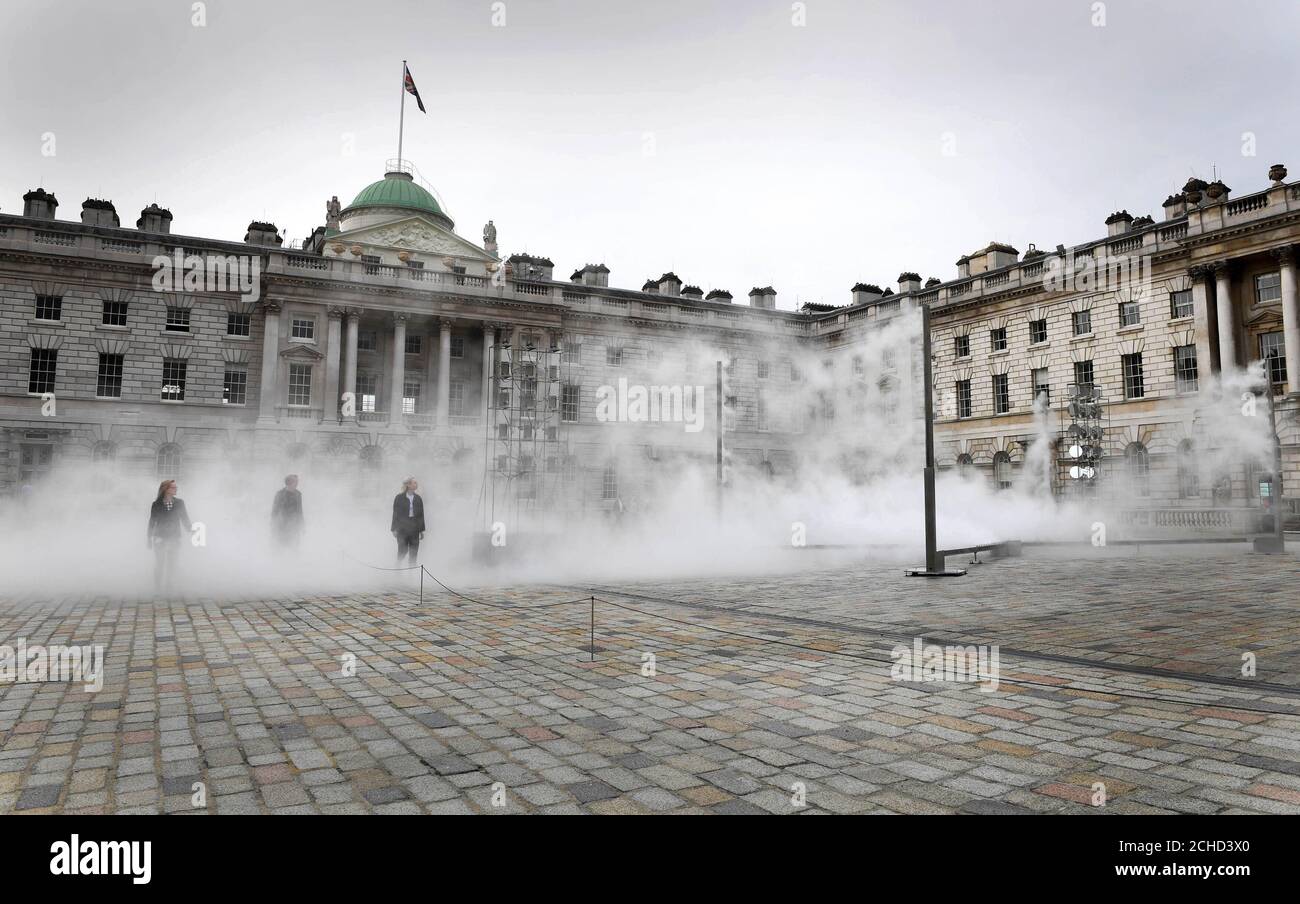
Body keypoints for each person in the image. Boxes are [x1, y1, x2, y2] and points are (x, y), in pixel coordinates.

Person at [147, 479, 193, 593]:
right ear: (166, 489)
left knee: (172, 564)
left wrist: (192, 530)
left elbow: (185, 518)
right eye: (173, 487)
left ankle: (169, 587)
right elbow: (152, 522)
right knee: (160, 563)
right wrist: (148, 538)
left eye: (175, 487)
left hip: (174, 538)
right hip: (160, 538)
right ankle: (157, 588)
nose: (176, 489)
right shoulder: (156, 504)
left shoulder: (179, 503)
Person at [390, 477, 425, 565]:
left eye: (416, 483)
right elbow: (395, 513)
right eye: (414, 483)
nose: (416, 484)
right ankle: (398, 568)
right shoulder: (399, 498)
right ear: (408, 485)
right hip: (402, 528)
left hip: (415, 528)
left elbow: (421, 515)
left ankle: (411, 573)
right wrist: (394, 529)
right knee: (402, 550)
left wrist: (421, 530)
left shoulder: (418, 498)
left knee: (414, 552)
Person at [271, 474, 304, 548]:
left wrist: (302, 524)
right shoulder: (280, 494)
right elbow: (274, 511)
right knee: (282, 547)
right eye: (296, 482)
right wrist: (273, 526)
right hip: (282, 527)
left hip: (294, 527)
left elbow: (300, 511)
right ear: (289, 482)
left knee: (294, 547)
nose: (297, 483)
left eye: (297, 482)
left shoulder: (298, 494)